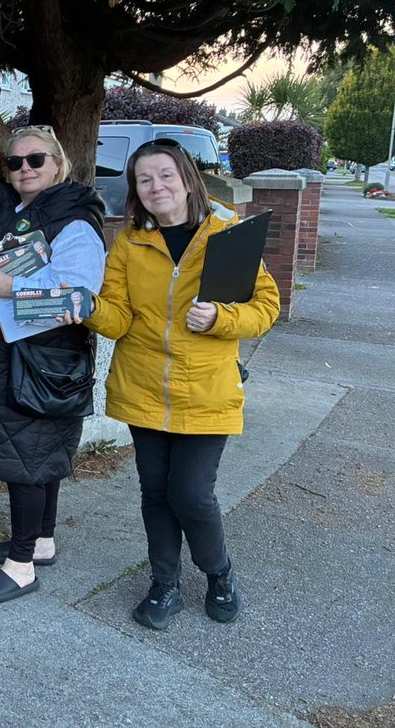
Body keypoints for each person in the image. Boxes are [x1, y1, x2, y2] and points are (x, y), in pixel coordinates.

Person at [72, 137, 279, 629]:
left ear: (187, 179)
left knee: (192, 494)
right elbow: (119, 319)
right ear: (136, 191)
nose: (155, 186)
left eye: (165, 175)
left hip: (206, 390)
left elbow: (266, 307)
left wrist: (222, 318)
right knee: (155, 493)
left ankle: (219, 573)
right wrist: (86, 307)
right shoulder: (129, 244)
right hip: (142, 387)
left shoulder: (229, 233)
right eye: (144, 179)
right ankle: (164, 584)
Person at [0, 126, 105, 604]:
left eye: (35, 160)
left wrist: (11, 290)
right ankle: (41, 541)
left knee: (25, 462)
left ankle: (22, 565)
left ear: (57, 164)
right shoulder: (19, 212)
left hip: (41, 361)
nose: (24, 169)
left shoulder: (74, 220)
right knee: (38, 457)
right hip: (15, 358)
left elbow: (79, 296)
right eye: (15, 163)